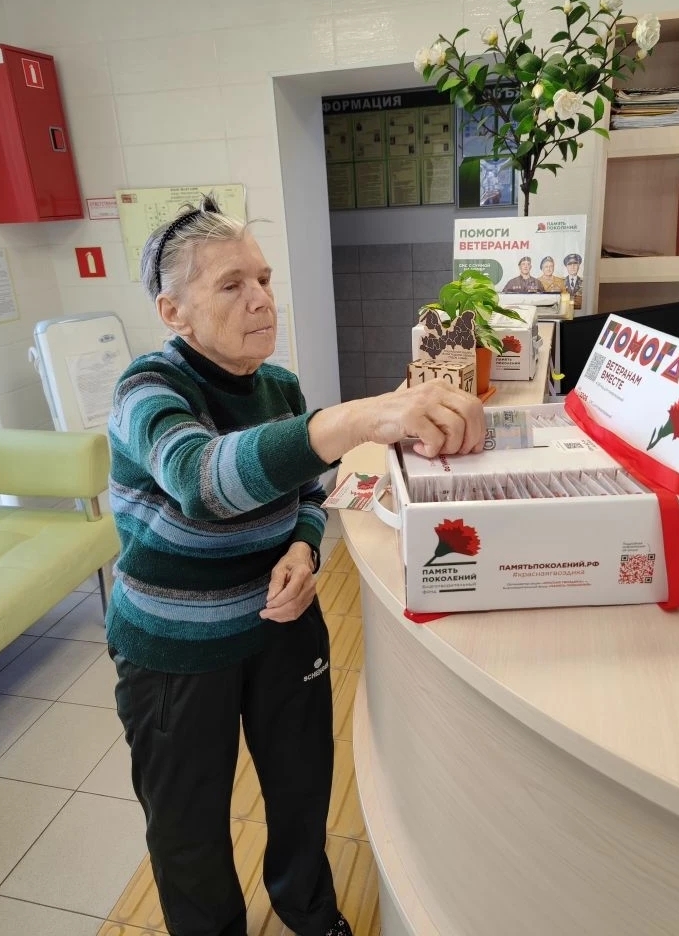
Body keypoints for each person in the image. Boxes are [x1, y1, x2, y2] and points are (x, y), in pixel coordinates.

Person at [106, 195, 485, 936]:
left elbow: (310, 491)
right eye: (231, 285)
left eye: (263, 279)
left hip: (283, 626)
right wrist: (364, 416)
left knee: (303, 786)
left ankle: (309, 913)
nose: (261, 299)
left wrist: (304, 547)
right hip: (176, 650)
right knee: (188, 823)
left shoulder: (277, 385)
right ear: (174, 313)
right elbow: (202, 479)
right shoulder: (147, 390)